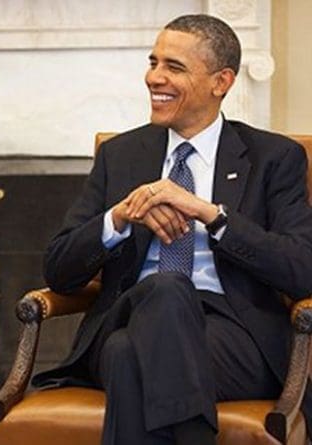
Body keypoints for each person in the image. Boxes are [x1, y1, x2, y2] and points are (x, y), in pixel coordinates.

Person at [31, 13, 312, 445]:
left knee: (128, 358)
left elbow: (301, 269)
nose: (153, 77)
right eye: (153, 62)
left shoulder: (274, 157)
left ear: (221, 82)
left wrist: (210, 214)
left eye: (173, 67)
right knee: (165, 290)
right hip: (130, 310)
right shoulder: (122, 155)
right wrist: (120, 218)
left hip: (234, 332)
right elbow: (59, 269)